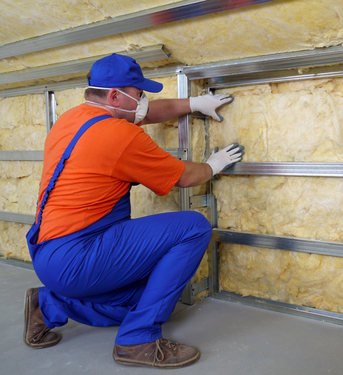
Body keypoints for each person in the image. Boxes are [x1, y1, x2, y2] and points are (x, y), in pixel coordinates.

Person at [23, 53, 244, 369]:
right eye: (139, 95)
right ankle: (137, 341)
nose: (144, 103)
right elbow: (185, 176)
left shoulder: (73, 119)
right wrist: (213, 164)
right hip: (78, 255)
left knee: (148, 297)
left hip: (49, 254)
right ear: (115, 95)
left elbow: (150, 113)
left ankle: (47, 305)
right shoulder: (120, 135)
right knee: (193, 227)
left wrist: (194, 104)